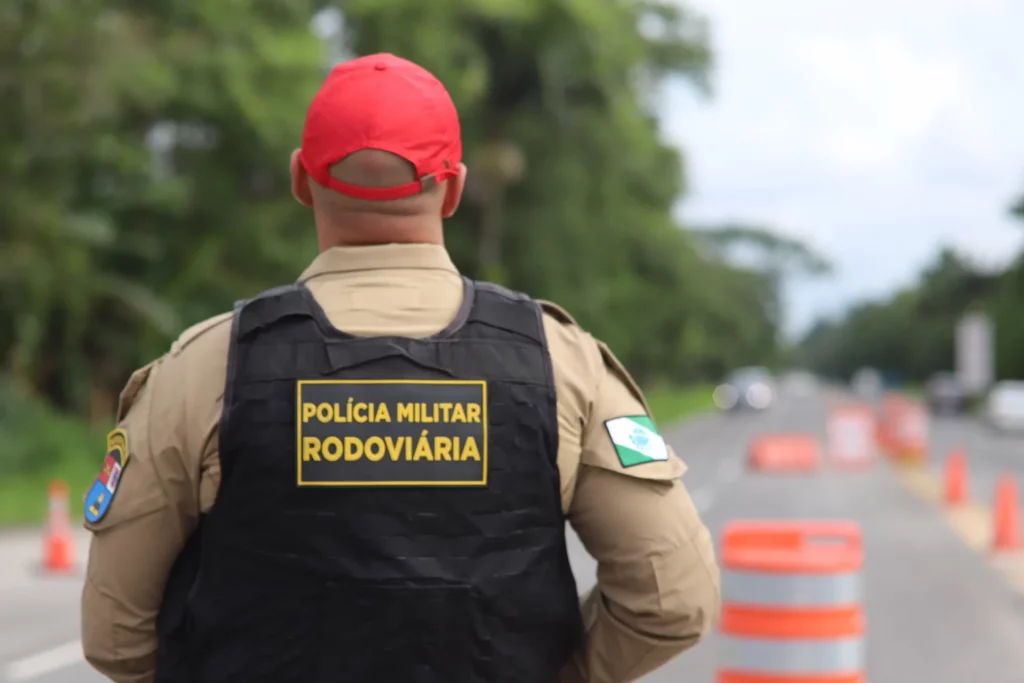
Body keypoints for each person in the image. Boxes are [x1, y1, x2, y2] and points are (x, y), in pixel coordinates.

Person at [80, 52, 720, 683]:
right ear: (454, 188)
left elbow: (113, 635)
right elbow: (672, 602)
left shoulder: (203, 370)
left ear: (302, 180)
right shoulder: (562, 364)